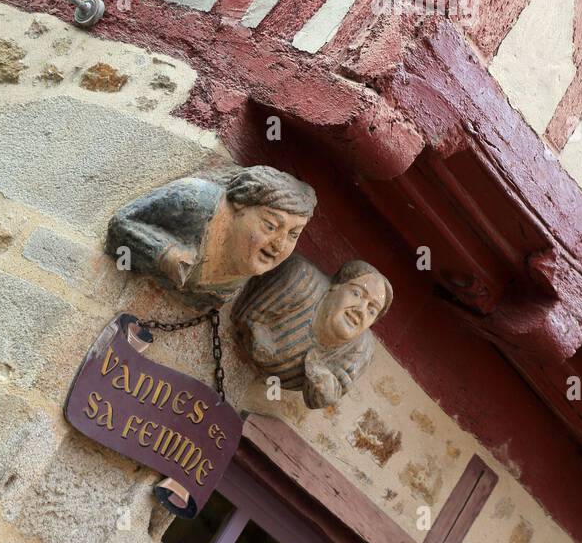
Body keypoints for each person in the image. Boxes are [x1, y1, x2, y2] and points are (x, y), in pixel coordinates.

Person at [105, 165, 317, 311]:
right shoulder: (194, 201)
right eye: (270, 226)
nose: (279, 245)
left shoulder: (249, 264)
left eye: (293, 234)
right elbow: (121, 223)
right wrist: (164, 254)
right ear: (240, 205)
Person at [232, 256, 392, 407]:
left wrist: (323, 385)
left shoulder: (362, 347)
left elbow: (330, 393)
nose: (361, 310)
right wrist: (256, 332)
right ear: (336, 285)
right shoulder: (302, 280)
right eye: (357, 294)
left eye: (372, 310)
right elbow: (248, 316)